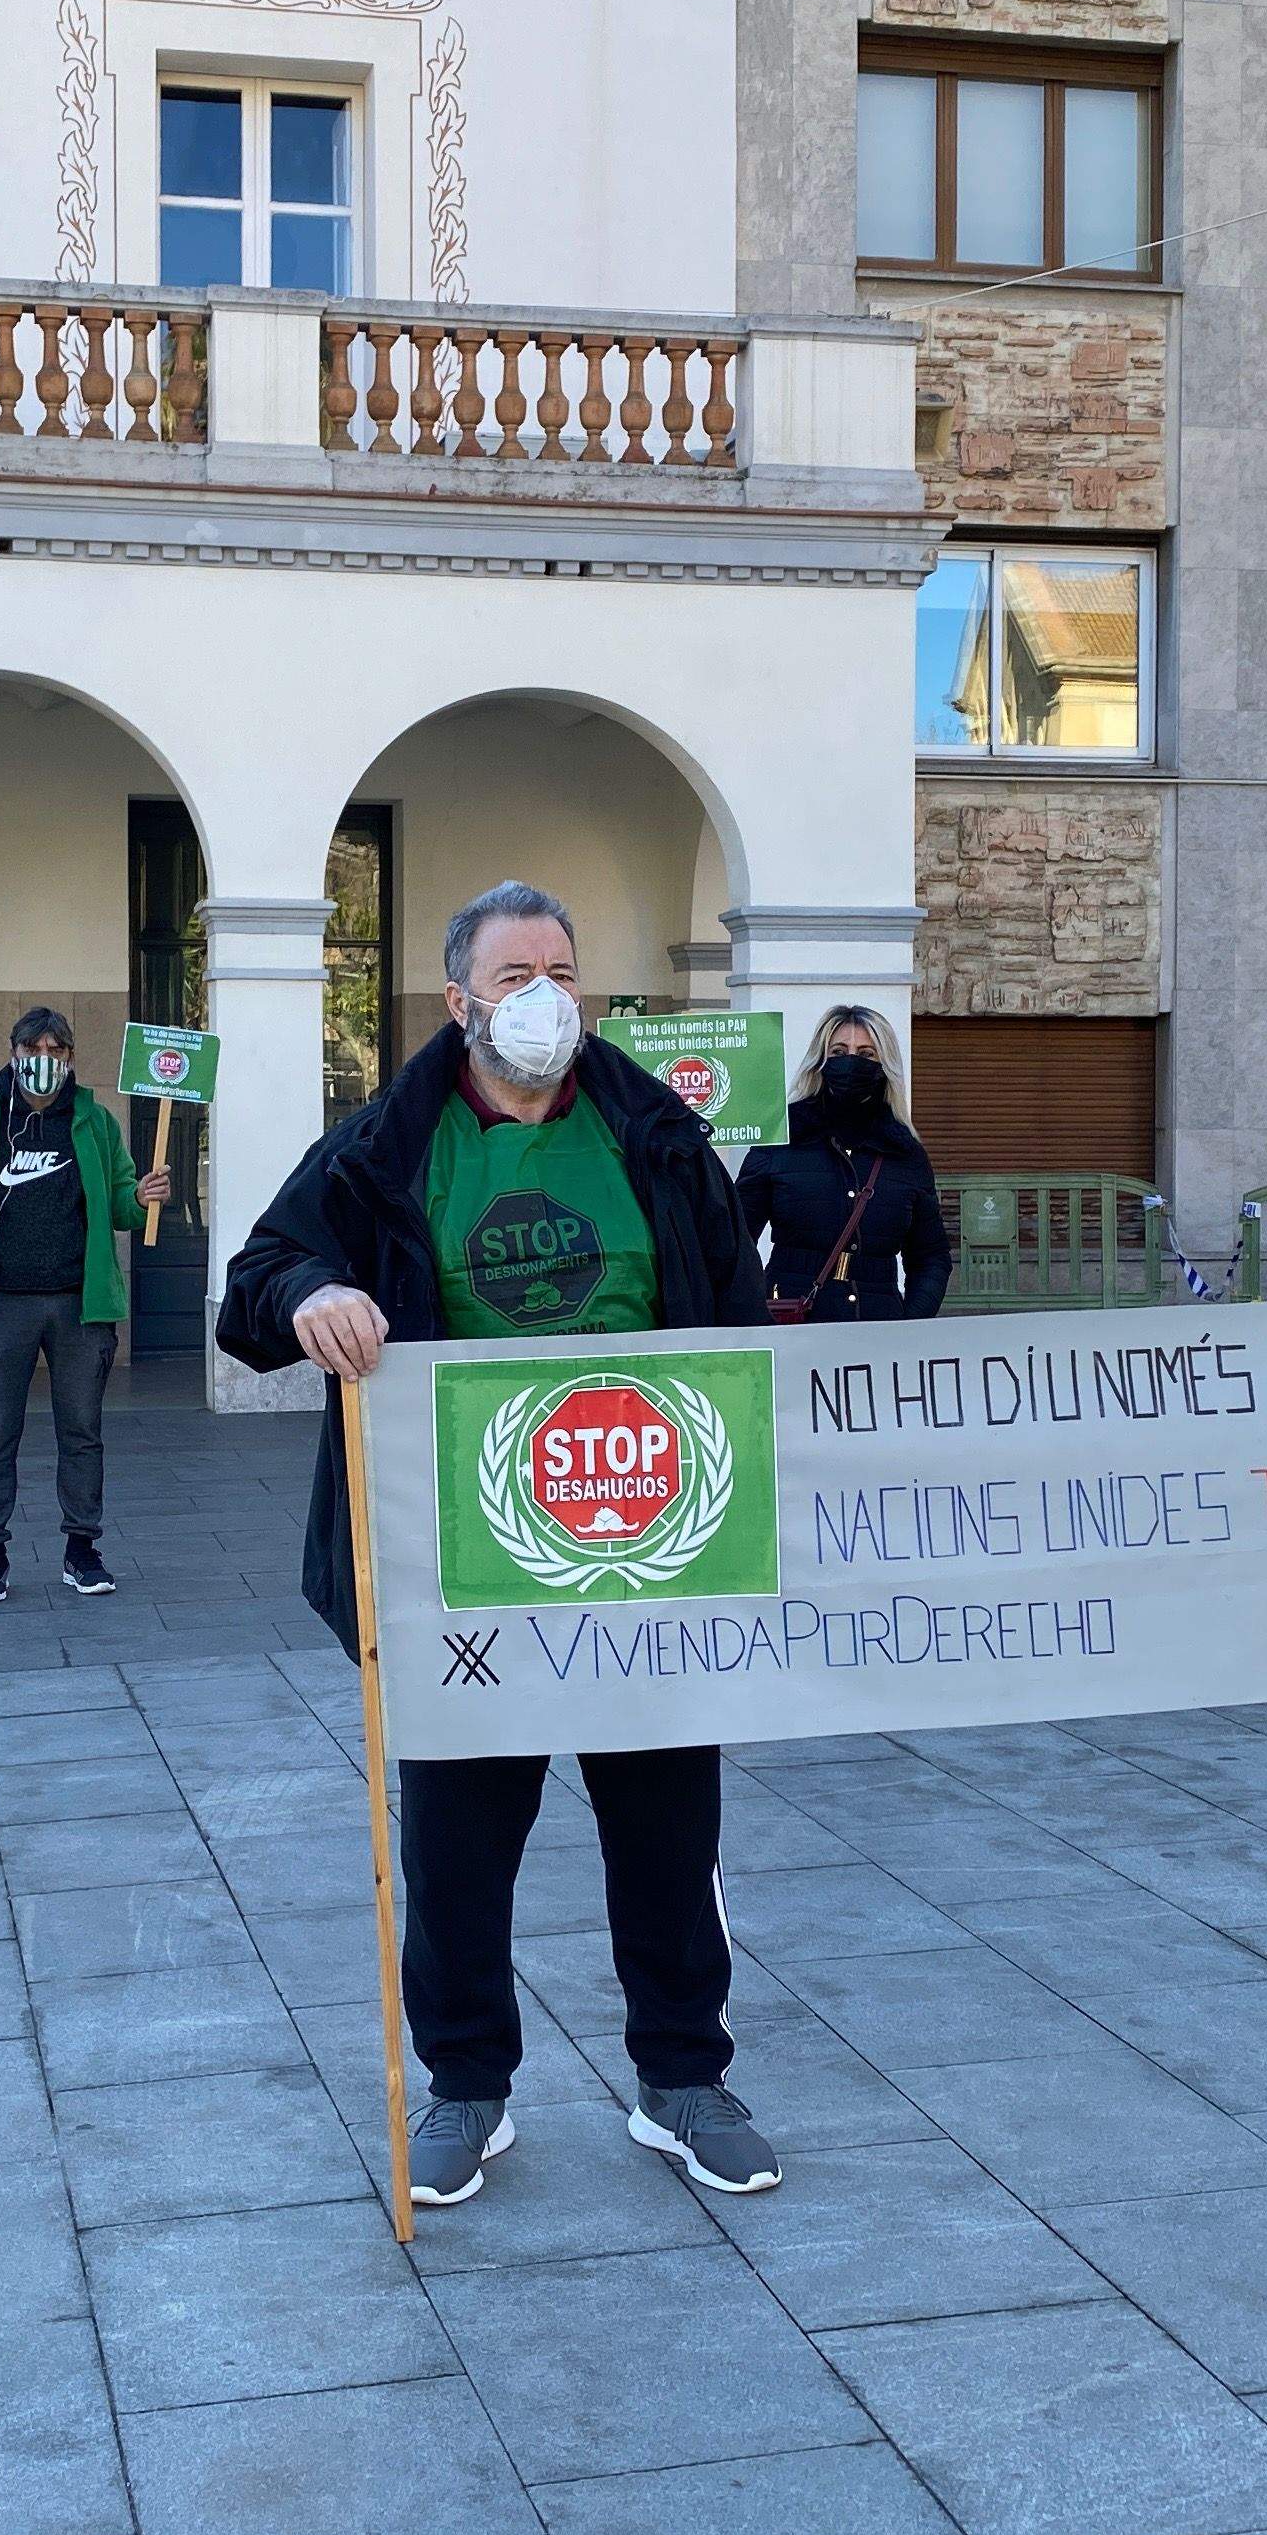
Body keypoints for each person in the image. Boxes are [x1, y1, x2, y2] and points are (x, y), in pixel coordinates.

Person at [217, 879, 779, 2209]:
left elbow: (739, 1319)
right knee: (457, 1848)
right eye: (517, 973)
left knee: (667, 1828)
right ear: (458, 996)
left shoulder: (656, 1137)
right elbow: (253, 1286)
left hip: (646, 1555)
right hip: (458, 1570)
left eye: (565, 970)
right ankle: (467, 2088)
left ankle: (683, 2079)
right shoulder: (381, 1151)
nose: (546, 997)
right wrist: (316, 1294)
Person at [0, 1006, 170, 1603]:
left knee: (82, 1432)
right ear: (13, 1052)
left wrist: (145, 1197)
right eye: (32, 1048)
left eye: (55, 1049)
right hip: (2, 1306)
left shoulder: (95, 1123)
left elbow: (123, 1202)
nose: (42, 1060)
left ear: (70, 1057)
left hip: (80, 1306)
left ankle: (82, 1549)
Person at [737, 1005, 954, 1324]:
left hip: (877, 1331)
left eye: (866, 1054)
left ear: (884, 1065)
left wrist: (910, 1324)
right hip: (790, 1326)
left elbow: (931, 1258)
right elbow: (734, 1241)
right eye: (839, 1051)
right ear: (821, 1060)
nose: (851, 1061)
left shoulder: (905, 1154)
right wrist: (754, 1313)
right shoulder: (781, 1140)